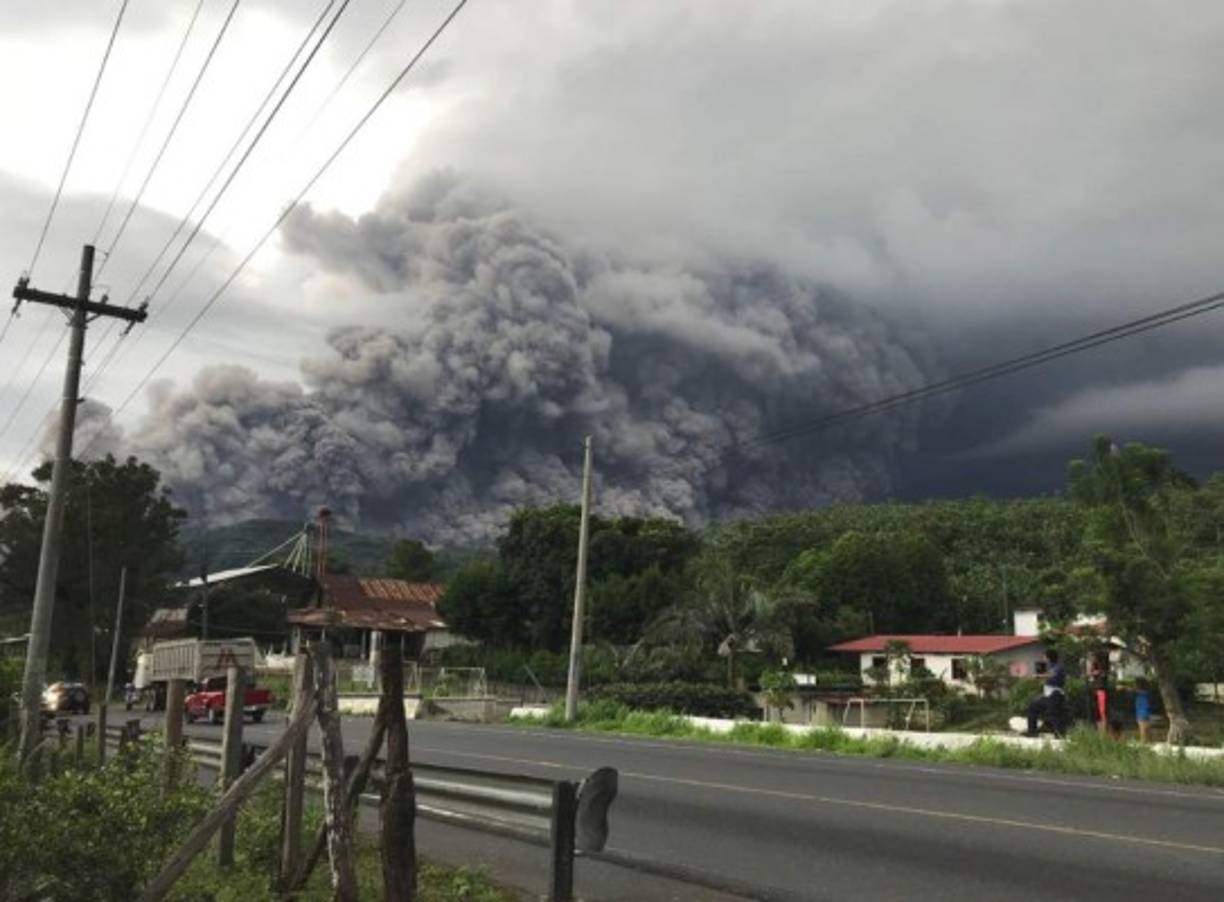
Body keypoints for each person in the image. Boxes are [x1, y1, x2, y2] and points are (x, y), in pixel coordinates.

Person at [1025, 648, 1067, 737]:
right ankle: (1032, 732)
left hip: (1056, 694)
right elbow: (1043, 678)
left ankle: (1060, 734)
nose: (1043, 658)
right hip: (1047, 695)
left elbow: (1051, 675)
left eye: (1044, 657)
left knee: (1054, 714)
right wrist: (1037, 677)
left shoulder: (1058, 667)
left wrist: (1038, 675)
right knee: (1032, 708)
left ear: (1049, 658)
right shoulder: (1048, 666)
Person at [1087, 650, 1110, 736]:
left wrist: (1093, 670)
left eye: (1094, 657)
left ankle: (1103, 732)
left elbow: (1094, 673)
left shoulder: (1102, 670)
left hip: (1101, 691)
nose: (1092, 659)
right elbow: (1089, 673)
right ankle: (1099, 731)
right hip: (1095, 690)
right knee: (1097, 713)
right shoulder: (1095, 668)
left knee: (1102, 712)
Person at [1134, 677, 1152, 743]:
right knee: (1146, 726)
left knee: (1142, 726)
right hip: (1143, 711)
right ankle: (1147, 740)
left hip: (1142, 711)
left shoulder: (1142, 693)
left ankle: (1143, 740)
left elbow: (1136, 690)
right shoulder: (1145, 693)